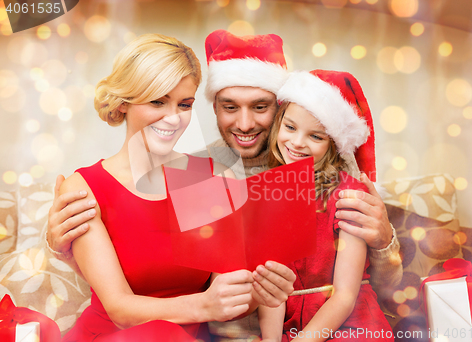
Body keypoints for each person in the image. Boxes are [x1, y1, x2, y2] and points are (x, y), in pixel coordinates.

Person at [47, 30, 402, 340]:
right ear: (214, 107)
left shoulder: (204, 178)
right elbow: (124, 297)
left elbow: (233, 284)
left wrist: (385, 240)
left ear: (281, 109)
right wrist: (62, 246)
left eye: (184, 104)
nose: (245, 123)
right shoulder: (205, 171)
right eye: (230, 106)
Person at [57, 33, 295, 342]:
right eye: (158, 101)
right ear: (125, 102)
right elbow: (120, 309)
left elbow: (228, 296)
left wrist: (262, 291)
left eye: (184, 104)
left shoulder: (211, 179)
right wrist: (204, 306)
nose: (173, 118)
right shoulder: (86, 187)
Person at [259, 69, 394, 342]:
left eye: (316, 137)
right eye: (290, 127)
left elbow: (344, 296)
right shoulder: (266, 194)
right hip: (292, 327)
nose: (297, 143)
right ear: (278, 124)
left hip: (351, 325)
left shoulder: (348, 196)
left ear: (333, 144)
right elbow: (271, 290)